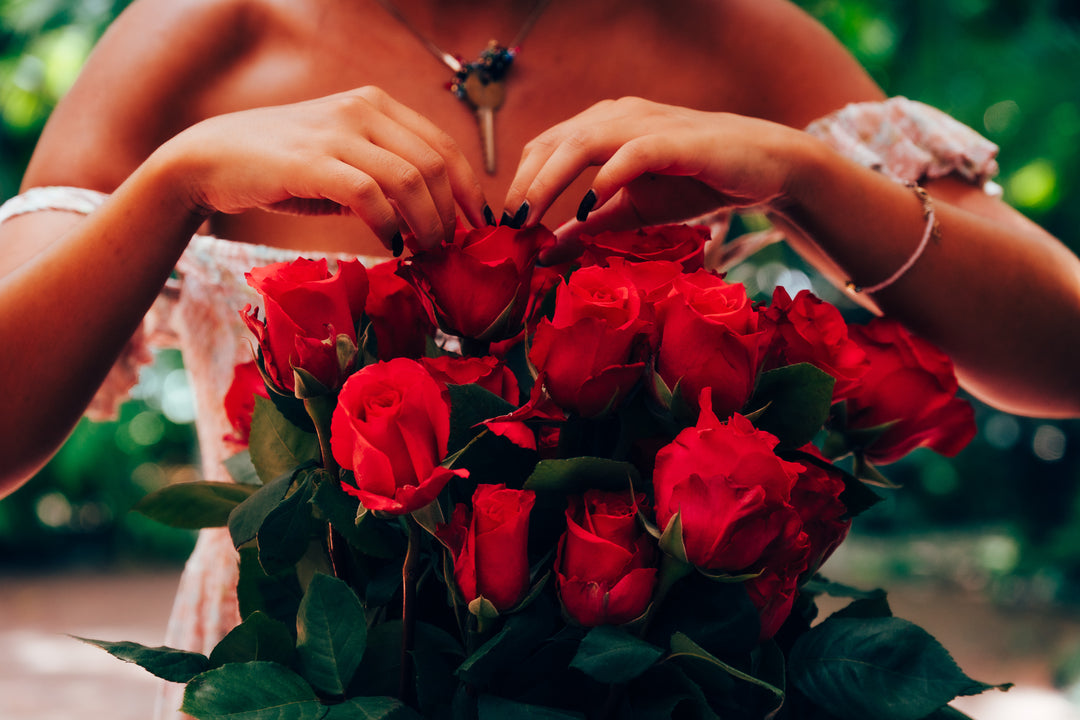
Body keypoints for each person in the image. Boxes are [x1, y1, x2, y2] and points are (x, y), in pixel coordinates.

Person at [1, 0, 1078, 715]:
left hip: (649, 688)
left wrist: (808, 176)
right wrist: (176, 183)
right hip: (296, 681)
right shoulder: (190, 37)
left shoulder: (729, 31)